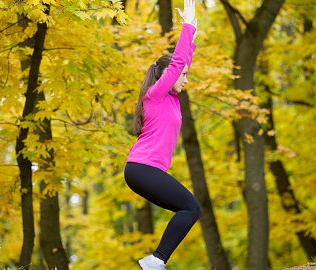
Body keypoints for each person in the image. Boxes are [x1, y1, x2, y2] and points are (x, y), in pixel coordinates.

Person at [123, 0, 200, 269]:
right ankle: (156, 261)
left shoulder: (171, 99)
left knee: (188, 209)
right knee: (192, 208)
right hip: (142, 168)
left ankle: (155, 261)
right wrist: (186, 27)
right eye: (184, 75)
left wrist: (194, 33)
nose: (186, 79)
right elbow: (179, 62)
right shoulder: (154, 95)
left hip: (145, 170)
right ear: (170, 75)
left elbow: (183, 60)